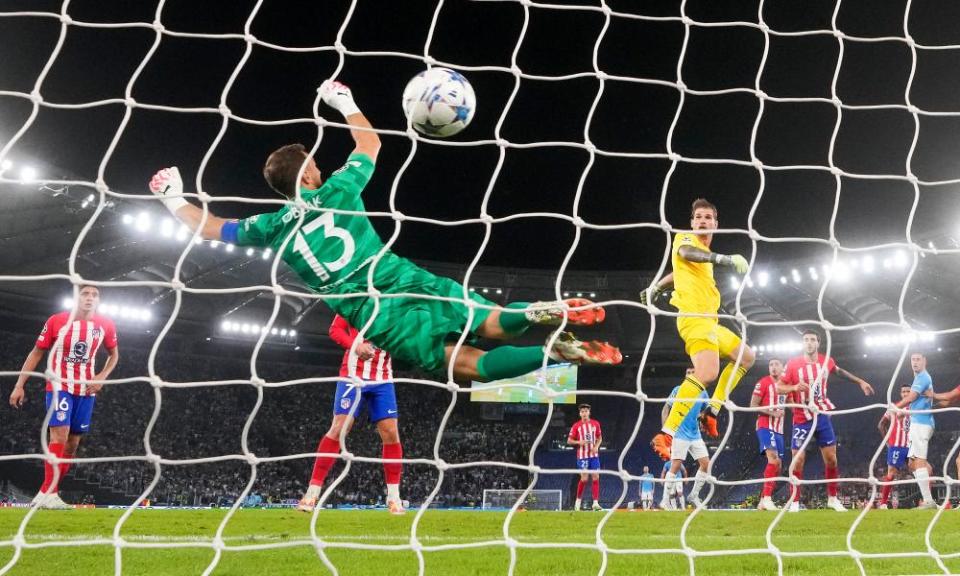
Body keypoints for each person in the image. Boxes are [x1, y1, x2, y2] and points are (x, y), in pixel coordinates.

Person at [148, 80, 620, 384]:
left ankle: (548, 352)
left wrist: (172, 195)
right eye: (315, 163)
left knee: (470, 363)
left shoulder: (269, 227)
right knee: (491, 319)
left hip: (376, 311)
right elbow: (369, 143)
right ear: (308, 174)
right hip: (401, 276)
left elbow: (209, 227)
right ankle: (542, 311)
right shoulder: (338, 190)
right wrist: (344, 101)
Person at [646, 199, 755, 460]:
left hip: (711, 322)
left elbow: (678, 271)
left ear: (716, 225)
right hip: (693, 319)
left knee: (747, 356)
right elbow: (684, 255)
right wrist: (724, 259)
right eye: (699, 217)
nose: (703, 221)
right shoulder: (685, 239)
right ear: (692, 222)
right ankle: (666, 433)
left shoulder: (702, 260)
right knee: (707, 373)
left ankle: (712, 412)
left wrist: (656, 288)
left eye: (708, 217)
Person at [9, 285, 119, 509]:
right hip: (59, 384)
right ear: (76, 297)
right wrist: (20, 384)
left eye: (94, 295)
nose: (89, 298)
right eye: (85, 293)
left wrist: (101, 376)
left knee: (72, 445)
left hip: (86, 389)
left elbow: (114, 354)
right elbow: (37, 352)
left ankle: (45, 492)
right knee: (59, 436)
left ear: (99, 300)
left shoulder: (105, 324)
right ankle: (51, 493)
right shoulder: (57, 321)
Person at [297, 315, 405, 514]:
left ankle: (394, 497)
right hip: (351, 376)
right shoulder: (355, 299)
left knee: (391, 433)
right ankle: (312, 493)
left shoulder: (395, 304)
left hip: (383, 380)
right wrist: (355, 345)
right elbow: (335, 329)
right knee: (339, 428)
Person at [776, 330, 874, 512]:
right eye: (806, 340)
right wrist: (795, 387)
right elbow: (779, 387)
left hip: (822, 415)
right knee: (797, 461)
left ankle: (832, 498)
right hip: (801, 416)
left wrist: (860, 381)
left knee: (831, 460)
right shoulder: (792, 364)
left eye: (812, 340)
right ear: (802, 343)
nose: (809, 343)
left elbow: (839, 371)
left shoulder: (826, 360)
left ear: (818, 343)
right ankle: (795, 501)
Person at [892, 353, 936, 509]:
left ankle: (929, 501)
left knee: (919, 461)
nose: (915, 362)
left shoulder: (923, 377)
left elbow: (911, 397)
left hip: (922, 423)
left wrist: (897, 407)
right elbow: (915, 401)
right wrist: (904, 412)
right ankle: (928, 499)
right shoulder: (918, 378)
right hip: (917, 422)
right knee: (912, 463)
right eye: (912, 360)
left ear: (925, 361)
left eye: (918, 359)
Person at [660, 376, 711, 509]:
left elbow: (706, 410)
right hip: (680, 433)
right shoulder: (678, 390)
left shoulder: (703, 392)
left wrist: (702, 418)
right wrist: (666, 430)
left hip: (695, 435)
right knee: (676, 465)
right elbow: (666, 408)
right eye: (688, 373)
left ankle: (694, 495)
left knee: (706, 464)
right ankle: (665, 500)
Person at [751, 358, 787, 510]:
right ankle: (767, 499)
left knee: (778, 465)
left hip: (779, 429)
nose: (773, 367)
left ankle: (762, 501)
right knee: (772, 460)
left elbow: (793, 401)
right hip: (765, 426)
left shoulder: (786, 385)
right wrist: (771, 412)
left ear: (782, 367)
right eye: (770, 364)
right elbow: (753, 405)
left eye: (776, 364)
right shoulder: (763, 383)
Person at [876, 385, 912, 509]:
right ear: (901, 393)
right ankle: (884, 503)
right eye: (904, 391)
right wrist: (887, 442)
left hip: (912, 445)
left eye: (908, 391)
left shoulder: (916, 408)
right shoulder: (893, 407)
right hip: (897, 446)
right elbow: (881, 425)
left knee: (922, 471)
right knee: (891, 473)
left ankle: (928, 501)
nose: (906, 393)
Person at [568, 404, 602, 511]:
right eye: (582, 411)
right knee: (584, 478)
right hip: (582, 456)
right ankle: (577, 502)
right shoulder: (576, 426)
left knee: (596, 477)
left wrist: (596, 447)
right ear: (580, 414)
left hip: (594, 456)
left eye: (586, 411)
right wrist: (579, 442)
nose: (584, 413)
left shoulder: (595, 424)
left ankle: (595, 503)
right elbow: (569, 441)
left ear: (589, 412)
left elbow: (599, 437)